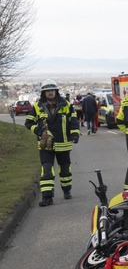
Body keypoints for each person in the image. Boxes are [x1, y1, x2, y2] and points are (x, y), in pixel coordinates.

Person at [25, 79, 80, 207]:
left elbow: (74, 121)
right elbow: (29, 123)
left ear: (56, 91)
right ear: (43, 93)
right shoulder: (37, 107)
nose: (50, 93)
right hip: (46, 145)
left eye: (52, 90)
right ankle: (47, 197)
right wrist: (39, 131)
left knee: (65, 170)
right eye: (47, 91)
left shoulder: (66, 105)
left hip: (63, 143)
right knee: (47, 170)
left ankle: (67, 190)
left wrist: (75, 134)